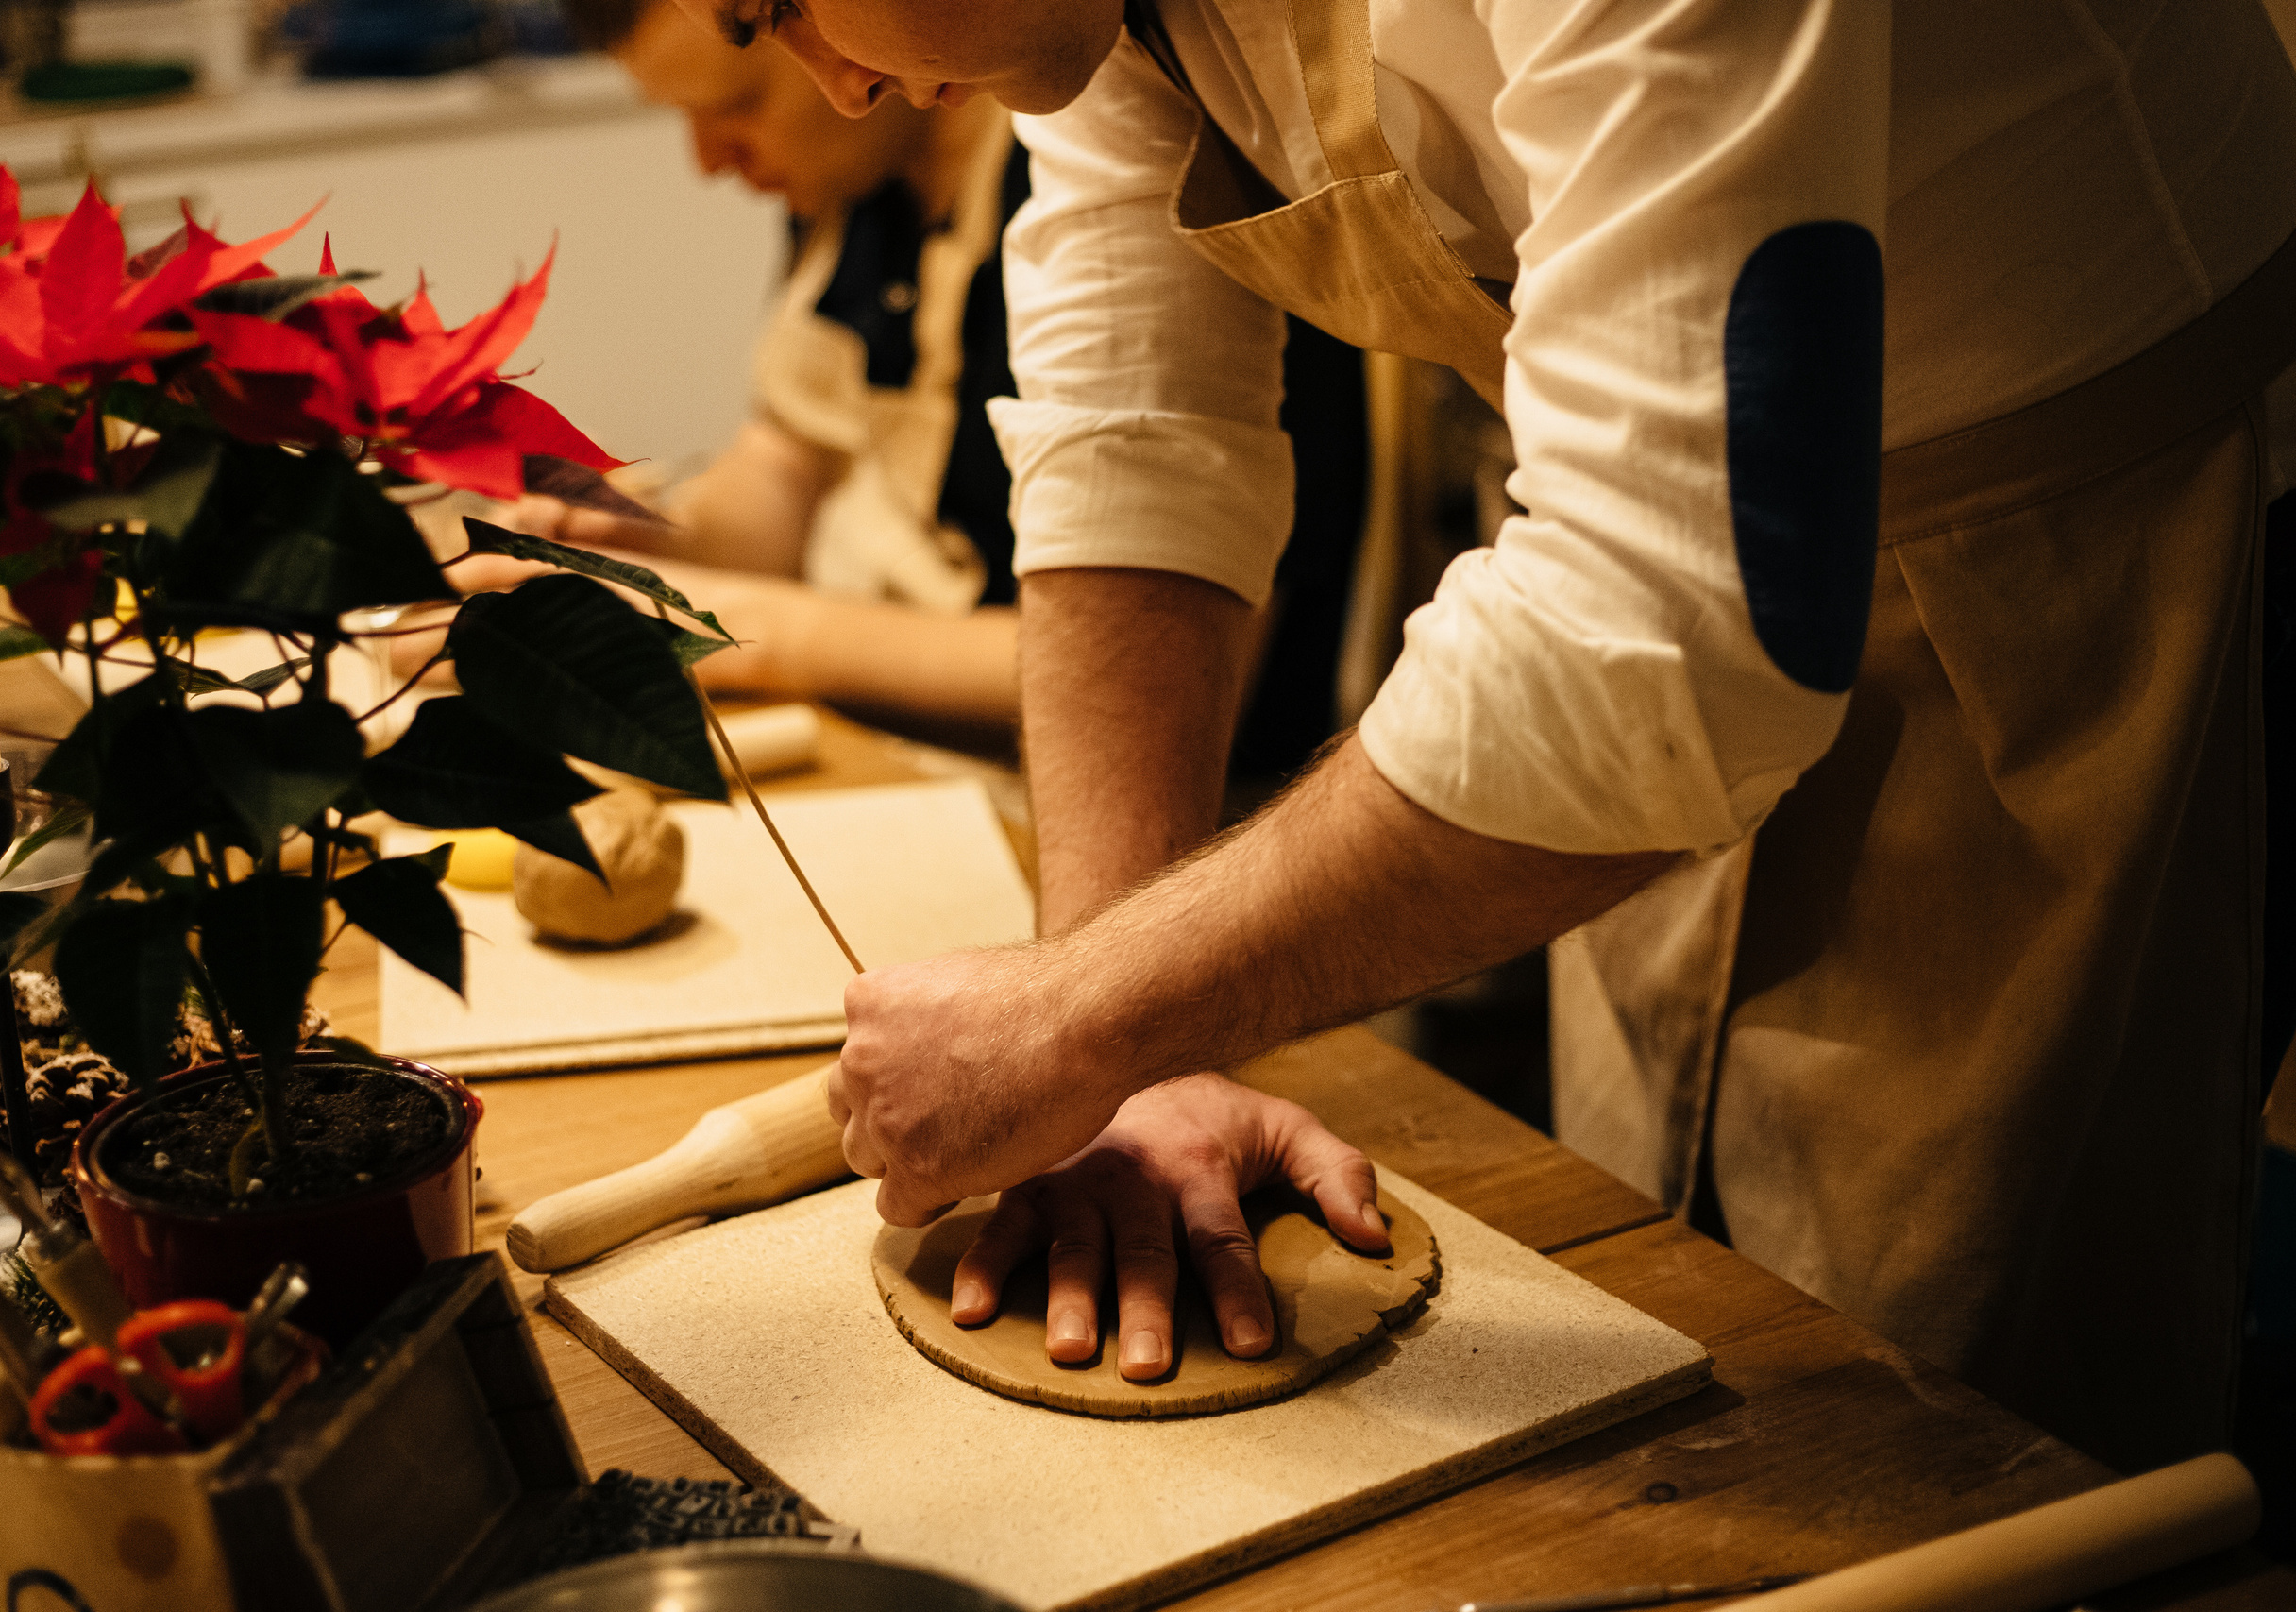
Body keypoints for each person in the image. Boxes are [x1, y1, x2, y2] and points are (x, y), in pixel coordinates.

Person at [751, 0, 2296, 1472]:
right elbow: (1135, 432)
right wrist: (1114, 1066)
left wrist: (1082, 1016)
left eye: (774, 6)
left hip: (2072, 569)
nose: (833, 82)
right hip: (1641, 606)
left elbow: (1671, 627)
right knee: (1669, 1319)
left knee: (1952, 1420)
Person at [495, 0, 1365, 772]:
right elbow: (788, 461)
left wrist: (753, 630)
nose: (707, 161)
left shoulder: (1110, 155)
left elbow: (1156, 651)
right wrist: (638, 535)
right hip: (903, 751)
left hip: (1152, 791)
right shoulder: (859, 184)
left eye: (738, 98)